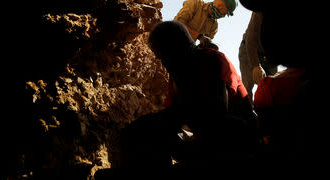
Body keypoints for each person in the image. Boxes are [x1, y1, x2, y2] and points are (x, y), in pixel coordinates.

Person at [106, 21, 258, 177]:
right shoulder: (177, 76)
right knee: (149, 130)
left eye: (163, 56)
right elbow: (174, 117)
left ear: (177, 48)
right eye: (160, 58)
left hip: (234, 143)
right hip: (208, 142)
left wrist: (166, 120)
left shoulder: (212, 60)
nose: (163, 63)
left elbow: (215, 114)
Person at [238, 11, 278, 101]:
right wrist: (255, 65)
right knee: (247, 85)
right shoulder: (260, 11)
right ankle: (246, 111)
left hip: (269, 54)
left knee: (274, 86)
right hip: (249, 48)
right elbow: (251, 39)